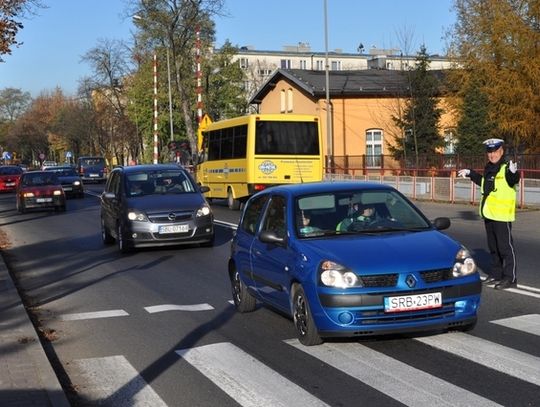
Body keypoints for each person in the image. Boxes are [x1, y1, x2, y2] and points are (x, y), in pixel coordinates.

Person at [458, 138, 520, 290]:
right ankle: (496, 274)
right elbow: (485, 183)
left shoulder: (506, 168)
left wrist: (513, 173)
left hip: (502, 215)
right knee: (493, 247)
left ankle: (510, 278)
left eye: (495, 152)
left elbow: (513, 179)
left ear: (501, 151)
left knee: (505, 248)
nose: (492, 155)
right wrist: (471, 174)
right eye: (489, 152)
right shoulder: (489, 168)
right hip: (489, 213)